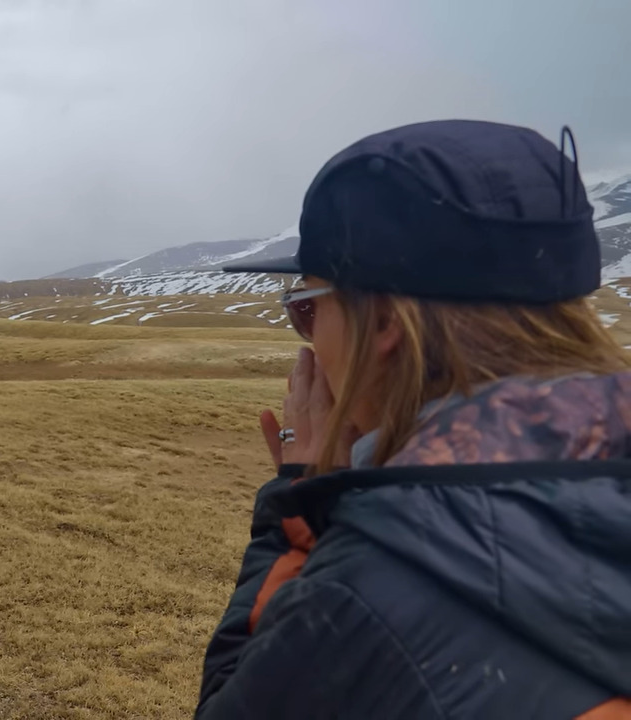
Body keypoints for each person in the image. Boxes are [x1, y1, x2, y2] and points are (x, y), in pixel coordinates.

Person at [194, 119, 631, 719]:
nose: (310, 340)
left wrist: (300, 504)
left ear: (381, 325)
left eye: (306, 309)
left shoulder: (365, 596)